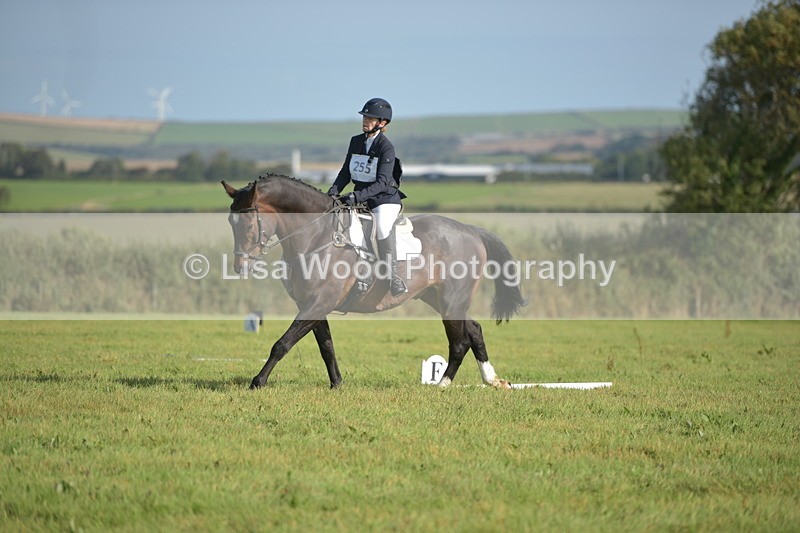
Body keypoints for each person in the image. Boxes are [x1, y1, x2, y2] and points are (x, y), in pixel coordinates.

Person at [327, 97, 408, 296]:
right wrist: (333, 192)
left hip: (384, 199)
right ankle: (362, 272)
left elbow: (381, 182)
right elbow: (346, 172)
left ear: (382, 123)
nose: (365, 121)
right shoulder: (355, 141)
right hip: (361, 197)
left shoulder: (385, 147)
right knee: (346, 227)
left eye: (370, 118)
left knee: (381, 227)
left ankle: (392, 276)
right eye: (365, 117)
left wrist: (355, 197)